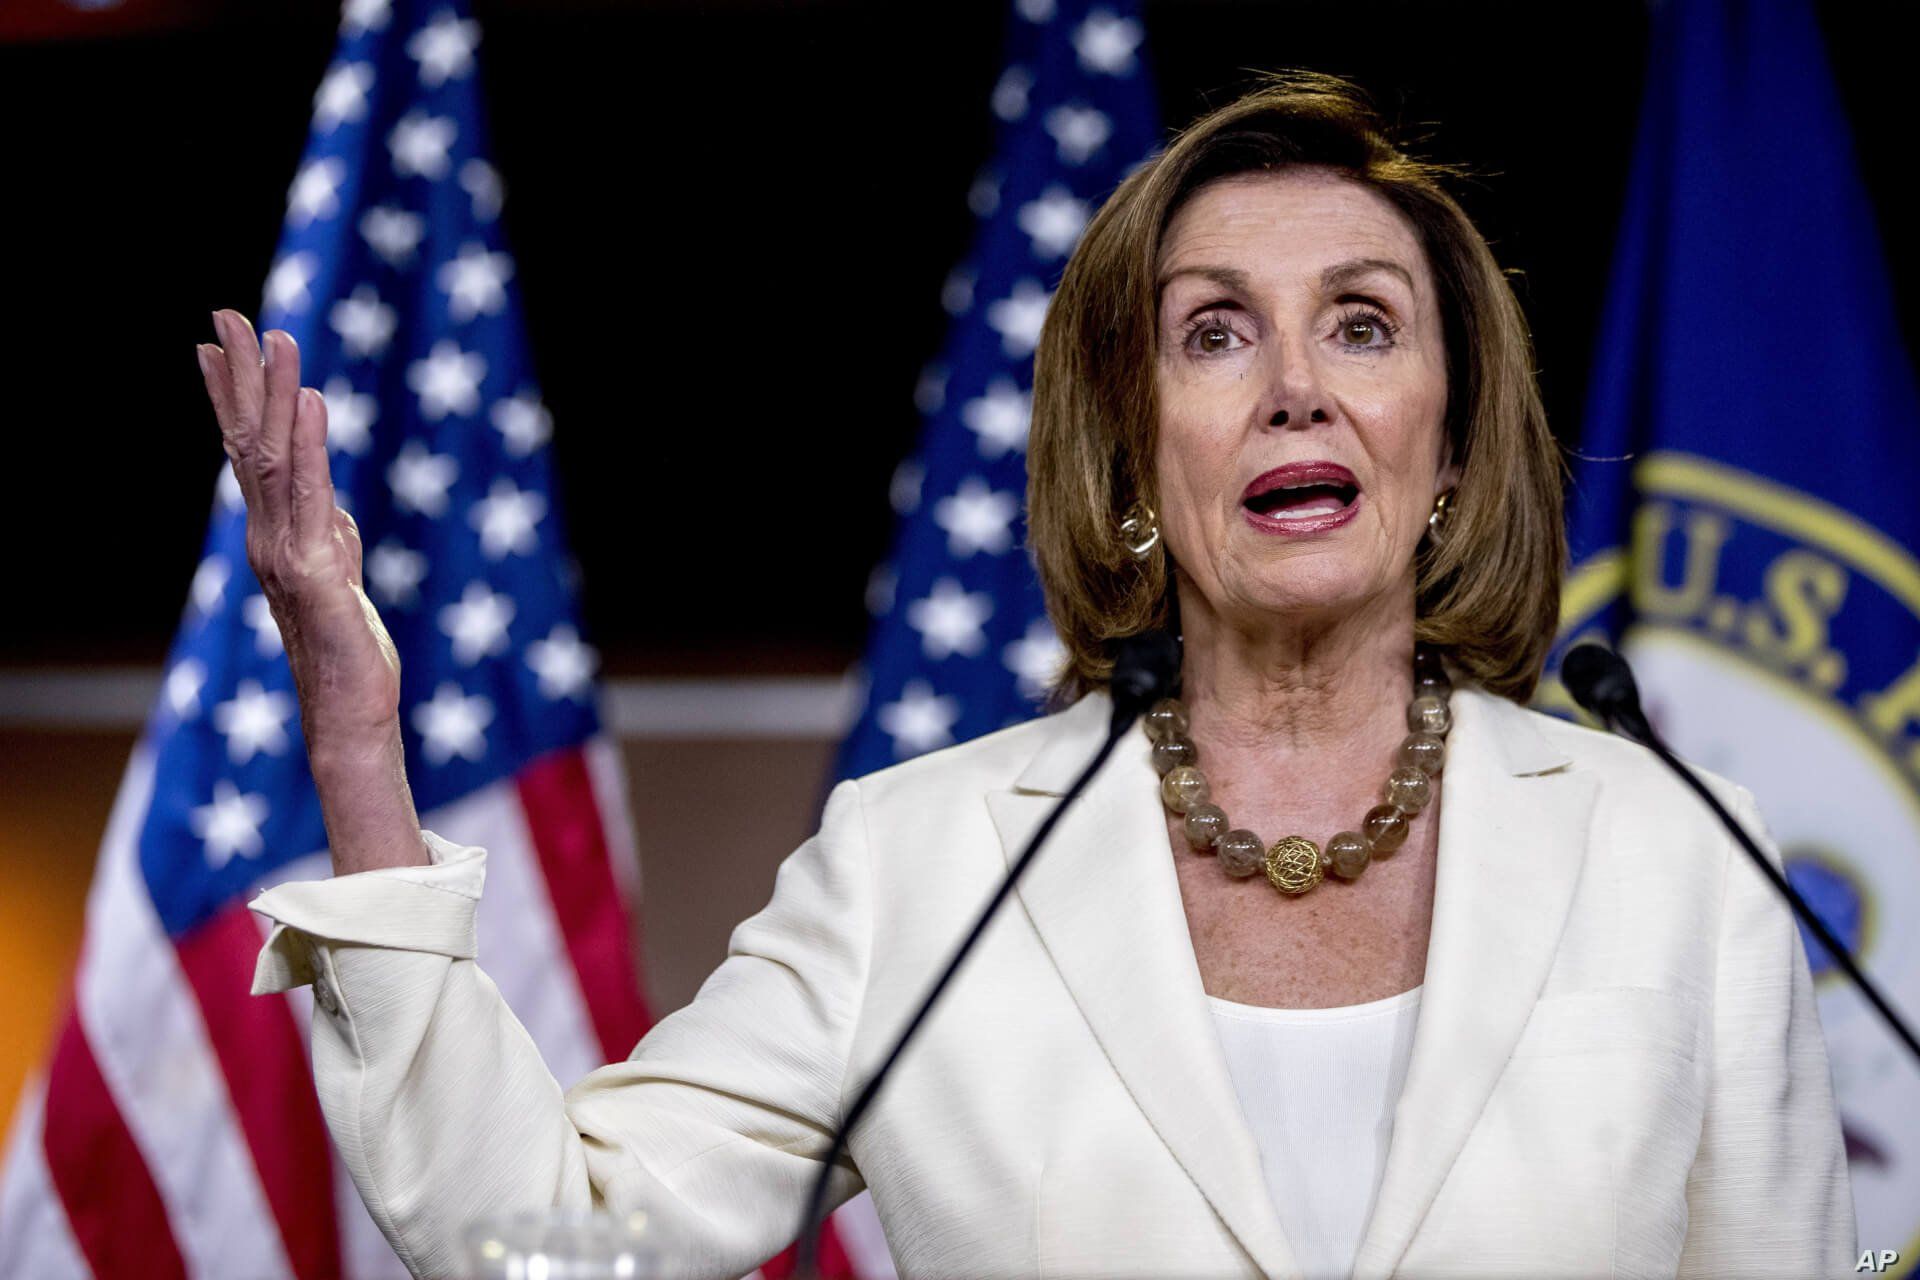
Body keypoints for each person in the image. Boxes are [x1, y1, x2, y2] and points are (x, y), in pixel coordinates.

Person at [197, 72, 1856, 1279]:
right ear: (1134, 455)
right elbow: (542, 1236)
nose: (1295, 386)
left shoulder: (1672, 858)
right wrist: (356, 736)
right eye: (1215, 333)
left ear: (1449, 447)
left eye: (1362, 324)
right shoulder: (924, 867)